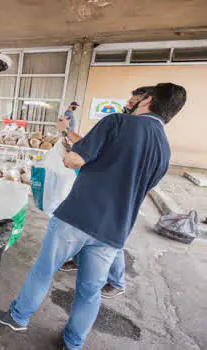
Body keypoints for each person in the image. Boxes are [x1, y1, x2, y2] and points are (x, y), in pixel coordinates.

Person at [0, 83, 187, 350]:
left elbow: (73, 160)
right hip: (113, 231)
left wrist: (67, 146)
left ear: (148, 100)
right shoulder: (165, 152)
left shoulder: (118, 122)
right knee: (90, 291)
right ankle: (73, 343)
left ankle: (18, 317)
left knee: (43, 272)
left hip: (76, 216)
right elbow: (141, 194)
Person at [59, 86, 155, 299]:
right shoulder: (122, 124)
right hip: (103, 192)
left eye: (133, 104)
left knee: (111, 240)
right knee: (91, 231)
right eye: (128, 103)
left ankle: (117, 282)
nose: (127, 106)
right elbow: (90, 145)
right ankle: (78, 261)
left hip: (118, 197)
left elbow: (85, 150)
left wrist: (68, 135)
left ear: (146, 102)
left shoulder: (133, 130)